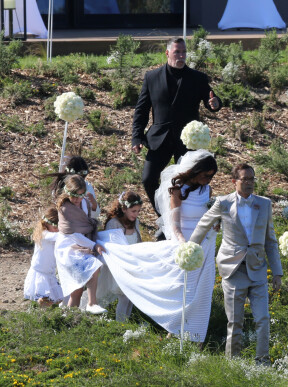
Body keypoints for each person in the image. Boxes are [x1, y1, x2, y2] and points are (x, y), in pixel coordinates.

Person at [96, 150, 218, 342]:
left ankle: (196, 333)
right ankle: (173, 327)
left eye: (211, 176)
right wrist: (182, 244)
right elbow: (174, 222)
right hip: (184, 243)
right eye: (205, 175)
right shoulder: (177, 189)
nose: (208, 180)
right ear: (195, 171)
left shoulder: (207, 190)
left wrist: (216, 224)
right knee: (181, 288)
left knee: (201, 290)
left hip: (205, 243)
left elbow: (209, 216)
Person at [189, 163, 283, 365]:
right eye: (245, 179)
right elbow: (203, 225)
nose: (249, 183)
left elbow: (270, 240)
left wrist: (277, 272)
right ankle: (234, 364)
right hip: (232, 269)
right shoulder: (223, 203)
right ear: (234, 182)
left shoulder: (265, 204)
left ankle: (263, 361)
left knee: (263, 319)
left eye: (252, 179)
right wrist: (189, 250)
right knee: (235, 322)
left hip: (257, 269)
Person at [132, 36, 222, 215]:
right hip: (160, 138)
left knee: (190, 181)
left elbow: (211, 100)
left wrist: (215, 103)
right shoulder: (152, 77)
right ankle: (164, 217)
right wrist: (137, 136)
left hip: (187, 141)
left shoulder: (198, 78)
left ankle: (186, 215)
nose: (181, 56)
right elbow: (141, 109)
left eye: (184, 52)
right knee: (148, 179)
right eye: (177, 52)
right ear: (167, 53)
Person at [54, 175, 107, 313]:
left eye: (80, 196)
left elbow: (90, 217)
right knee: (93, 265)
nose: (77, 200)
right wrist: (94, 245)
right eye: (74, 196)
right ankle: (91, 303)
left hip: (82, 242)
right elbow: (73, 233)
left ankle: (68, 320)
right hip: (68, 247)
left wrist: (94, 205)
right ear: (67, 193)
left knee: (77, 290)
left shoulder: (84, 202)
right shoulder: (65, 209)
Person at [102, 191, 143, 322]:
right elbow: (111, 246)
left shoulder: (135, 222)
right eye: (133, 211)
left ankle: (126, 320)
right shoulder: (114, 224)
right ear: (124, 208)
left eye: (138, 211)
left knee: (131, 296)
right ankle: (121, 324)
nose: (136, 214)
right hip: (119, 265)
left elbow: (138, 242)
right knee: (124, 296)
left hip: (132, 263)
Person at [23, 206, 63, 307]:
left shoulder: (54, 234)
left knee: (56, 298)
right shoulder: (44, 234)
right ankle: (41, 313)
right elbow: (58, 236)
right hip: (40, 272)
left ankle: (47, 313)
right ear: (46, 224)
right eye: (55, 228)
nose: (57, 230)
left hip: (50, 272)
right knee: (44, 298)